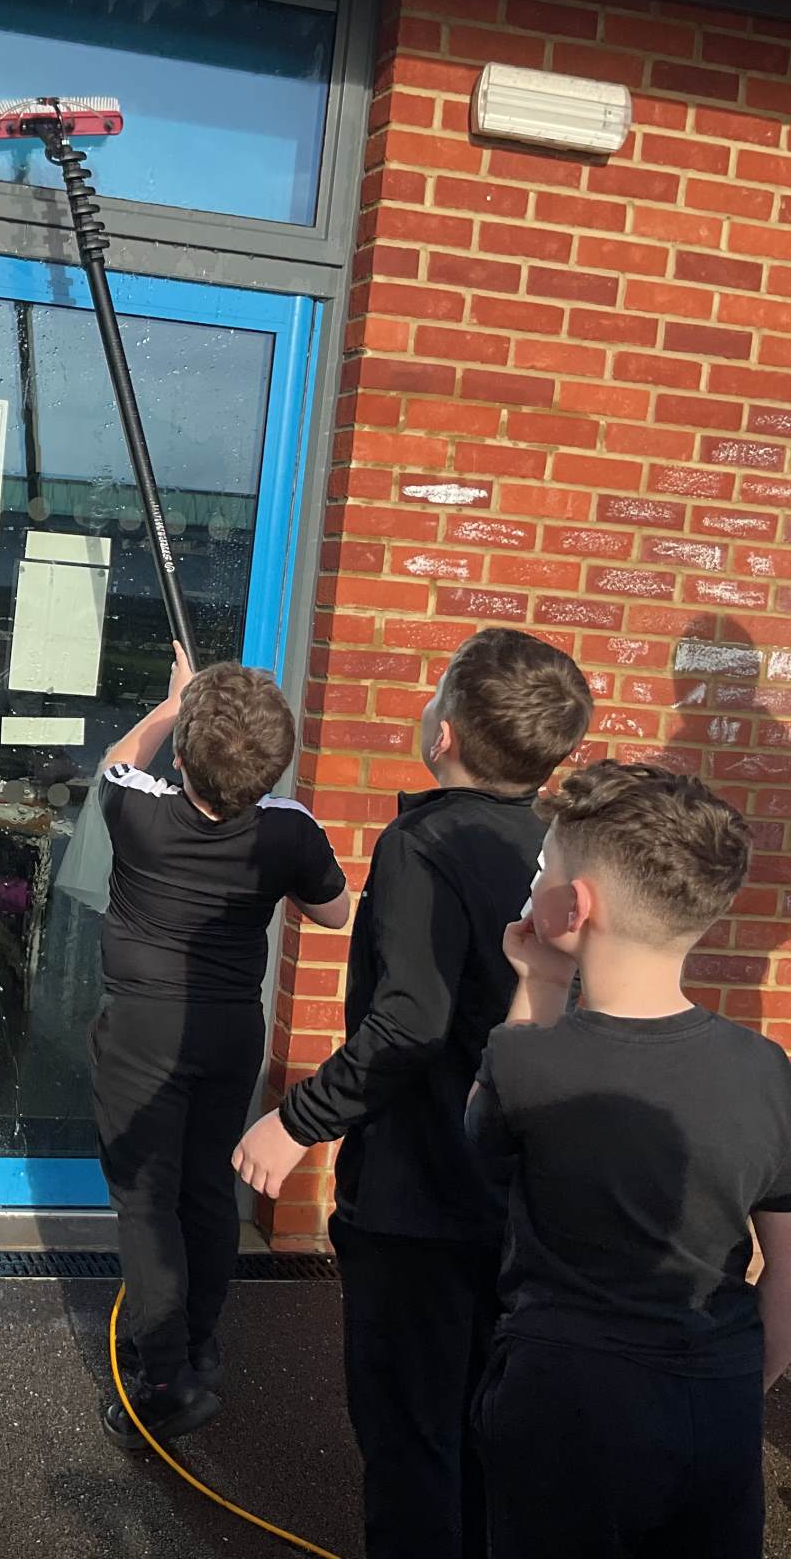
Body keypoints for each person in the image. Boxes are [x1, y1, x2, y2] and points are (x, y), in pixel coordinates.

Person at [231, 626, 593, 1559]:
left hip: (421, 1199)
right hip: (521, 1200)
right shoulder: (563, 849)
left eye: (436, 691)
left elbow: (408, 1024)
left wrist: (295, 1121)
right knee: (486, 1431)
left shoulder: (422, 844)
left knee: (410, 1440)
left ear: (446, 734)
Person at [467, 762, 791, 1559]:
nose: (534, 882)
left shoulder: (523, 1060)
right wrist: (742, 1384)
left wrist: (541, 982)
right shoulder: (766, 1067)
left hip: (565, 1401)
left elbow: (484, 1147)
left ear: (573, 907)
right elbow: (788, 1270)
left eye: (542, 868)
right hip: (714, 1395)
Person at [94, 642, 350, 1445]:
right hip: (230, 1029)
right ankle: (197, 1346)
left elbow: (117, 760)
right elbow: (335, 912)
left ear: (184, 755)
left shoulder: (135, 809)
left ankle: (165, 1379)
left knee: (146, 1200)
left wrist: (173, 705)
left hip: (142, 1030)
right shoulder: (288, 829)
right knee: (205, 1189)